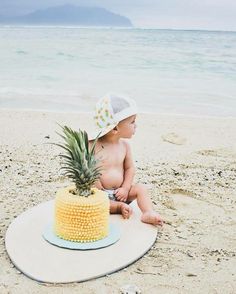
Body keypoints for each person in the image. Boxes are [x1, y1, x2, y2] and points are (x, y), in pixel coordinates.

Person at [89, 93, 163, 226]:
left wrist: (125, 188)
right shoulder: (93, 145)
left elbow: (130, 169)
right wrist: (97, 188)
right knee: (94, 201)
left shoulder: (125, 146)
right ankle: (117, 207)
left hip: (121, 193)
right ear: (115, 128)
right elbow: (88, 168)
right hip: (100, 193)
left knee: (140, 189)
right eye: (132, 122)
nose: (136, 126)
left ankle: (147, 212)